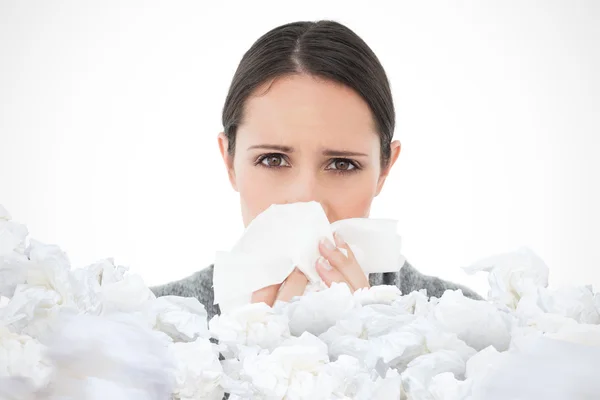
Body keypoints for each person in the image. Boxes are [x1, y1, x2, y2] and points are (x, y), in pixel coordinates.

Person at [151, 20, 482, 321]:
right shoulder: (151, 326)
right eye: (273, 160)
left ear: (384, 169)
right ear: (230, 162)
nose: (307, 201)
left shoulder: (464, 325)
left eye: (342, 164)